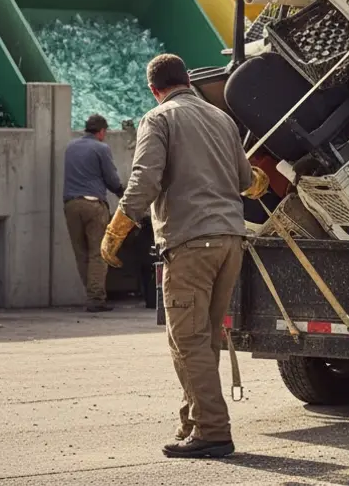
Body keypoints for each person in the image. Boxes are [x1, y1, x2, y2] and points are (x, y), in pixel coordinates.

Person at [100, 54, 268, 459]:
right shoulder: (221, 119)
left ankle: (213, 431)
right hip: (231, 241)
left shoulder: (158, 119)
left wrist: (116, 229)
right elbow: (246, 180)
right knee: (201, 340)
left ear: (154, 89)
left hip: (192, 242)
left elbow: (145, 178)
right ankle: (193, 422)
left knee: (187, 341)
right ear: (188, 79)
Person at [62, 113, 125, 312]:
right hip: (93, 205)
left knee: (81, 253)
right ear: (102, 131)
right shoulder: (101, 148)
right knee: (98, 253)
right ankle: (96, 299)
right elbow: (111, 179)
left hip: (71, 204)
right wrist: (123, 194)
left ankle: (90, 294)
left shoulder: (71, 147)